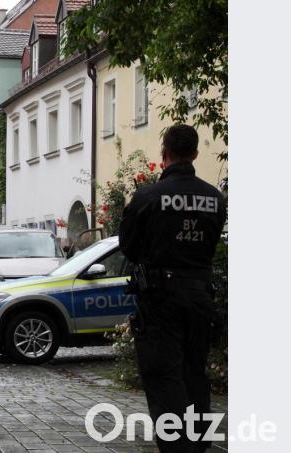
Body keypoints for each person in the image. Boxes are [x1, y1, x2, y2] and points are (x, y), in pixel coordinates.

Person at [119, 124, 225, 452]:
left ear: (163, 154)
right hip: (200, 295)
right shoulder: (214, 198)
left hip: (160, 299)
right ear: (195, 153)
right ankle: (199, 442)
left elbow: (128, 247)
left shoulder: (147, 197)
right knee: (195, 371)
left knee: (164, 376)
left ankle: (177, 446)